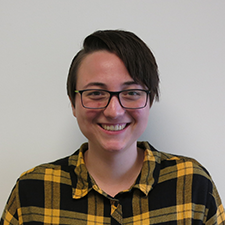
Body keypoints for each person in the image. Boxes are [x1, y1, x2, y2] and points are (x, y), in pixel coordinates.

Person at [1, 30, 225, 225]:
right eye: (96, 93)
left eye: (131, 93)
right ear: (73, 103)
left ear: (150, 100)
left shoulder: (192, 183)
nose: (114, 111)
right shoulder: (32, 190)